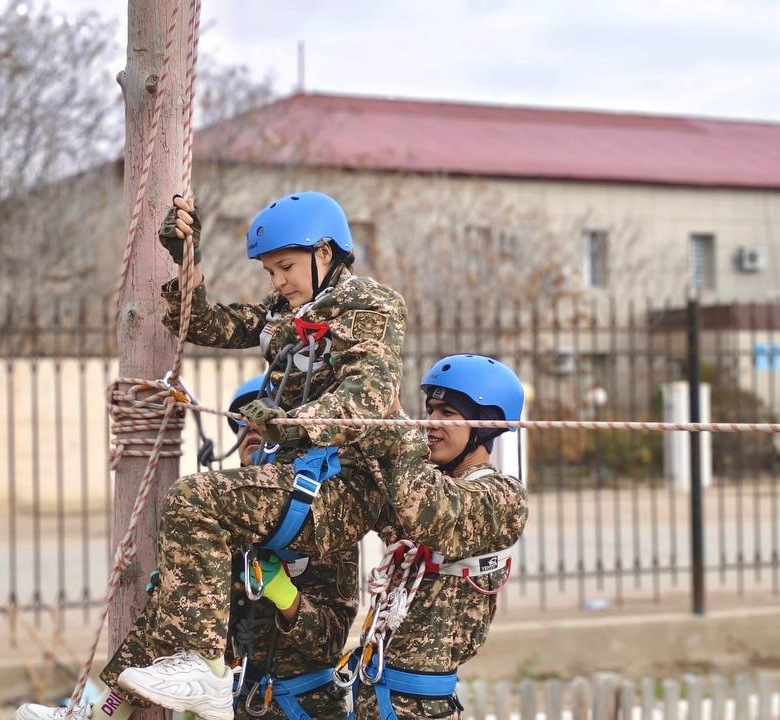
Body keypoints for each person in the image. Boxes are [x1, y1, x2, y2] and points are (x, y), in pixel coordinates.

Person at [112, 191, 407, 720]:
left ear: (324, 252)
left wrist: (292, 421)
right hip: (296, 479)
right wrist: (187, 263)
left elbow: (368, 394)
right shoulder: (286, 314)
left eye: (286, 267)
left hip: (340, 485)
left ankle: (204, 669)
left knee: (195, 499)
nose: (278, 282)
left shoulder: (367, 306)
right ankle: (96, 708)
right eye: (270, 272)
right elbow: (206, 325)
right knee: (177, 585)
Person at [346, 355, 530, 720]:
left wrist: (398, 426)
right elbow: (376, 478)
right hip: (371, 692)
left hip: (418, 707)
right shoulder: (419, 479)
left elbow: (432, 511)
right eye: (430, 409)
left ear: (485, 426)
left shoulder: (503, 497)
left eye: (448, 412)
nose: (431, 421)